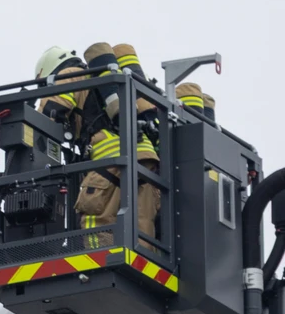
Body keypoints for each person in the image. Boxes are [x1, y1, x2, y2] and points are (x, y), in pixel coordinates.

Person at [34, 42, 207, 253]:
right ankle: (141, 260)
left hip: (108, 161)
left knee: (95, 220)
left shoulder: (70, 75)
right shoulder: (115, 79)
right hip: (146, 160)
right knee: (141, 223)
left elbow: (48, 114)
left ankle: (98, 260)